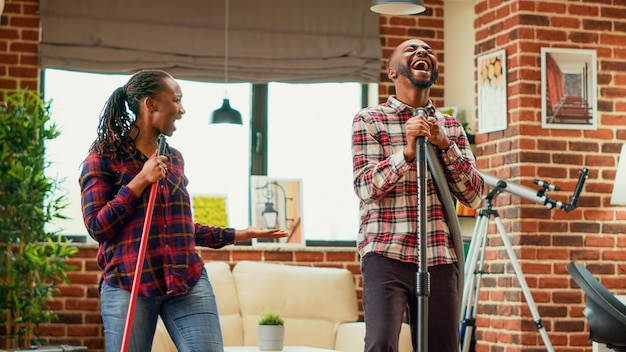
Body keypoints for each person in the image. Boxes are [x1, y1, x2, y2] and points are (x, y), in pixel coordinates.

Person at [79, 69, 288, 352]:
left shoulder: (174, 158)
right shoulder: (103, 157)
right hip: (129, 282)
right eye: (176, 100)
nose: (182, 110)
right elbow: (97, 227)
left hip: (185, 279)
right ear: (150, 104)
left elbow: (181, 228)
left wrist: (241, 233)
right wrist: (140, 180)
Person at [351, 39, 484, 352]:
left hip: (439, 254)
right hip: (385, 251)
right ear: (392, 71)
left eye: (428, 50)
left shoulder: (449, 127)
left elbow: (474, 196)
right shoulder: (370, 119)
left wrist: (443, 145)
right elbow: (366, 187)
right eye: (410, 50)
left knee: (442, 347)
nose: (422, 52)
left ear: (434, 71)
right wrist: (408, 152)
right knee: (381, 343)